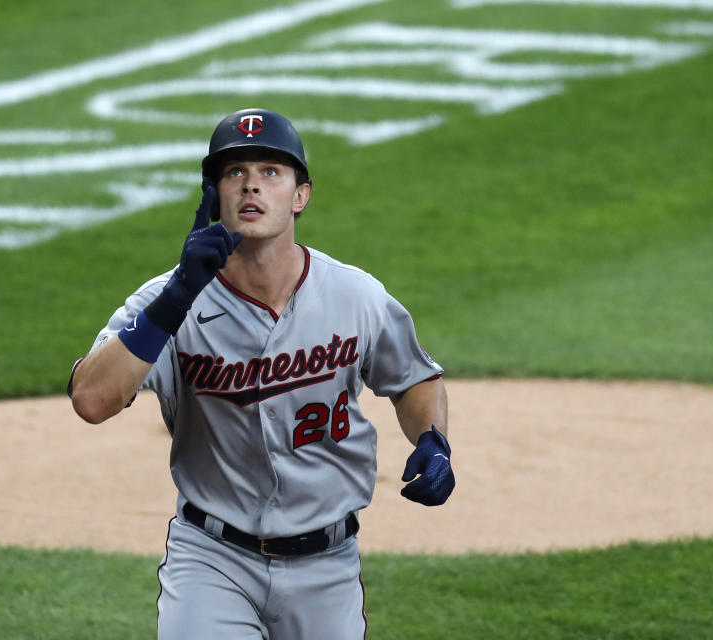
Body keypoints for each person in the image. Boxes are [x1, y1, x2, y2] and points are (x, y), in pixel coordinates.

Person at [68, 108, 455, 639]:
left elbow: (414, 378)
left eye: (271, 171)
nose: (251, 184)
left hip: (328, 565)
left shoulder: (353, 295)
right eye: (234, 173)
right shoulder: (165, 302)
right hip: (212, 560)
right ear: (214, 195)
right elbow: (91, 399)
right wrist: (177, 297)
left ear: (301, 196)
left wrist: (433, 438)